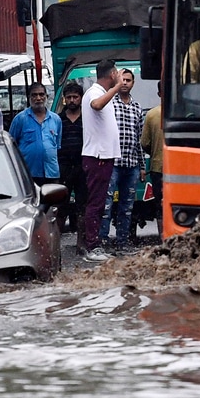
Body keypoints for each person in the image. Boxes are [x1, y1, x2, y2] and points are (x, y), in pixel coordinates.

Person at [78, 59, 123, 262]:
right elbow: (96, 105)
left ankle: (95, 244)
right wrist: (116, 88)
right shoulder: (95, 93)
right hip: (97, 157)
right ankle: (92, 247)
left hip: (105, 156)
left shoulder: (102, 93)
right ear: (112, 74)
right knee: (95, 204)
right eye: (117, 73)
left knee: (100, 202)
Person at [101, 68, 144, 253]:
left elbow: (140, 139)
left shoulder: (137, 107)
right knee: (106, 204)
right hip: (113, 163)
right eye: (122, 79)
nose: (125, 83)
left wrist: (142, 166)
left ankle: (122, 243)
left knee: (127, 206)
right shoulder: (109, 103)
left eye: (128, 80)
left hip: (132, 163)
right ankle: (101, 243)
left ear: (133, 83)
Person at [9, 82, 62, 188]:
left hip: (51, 173)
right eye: (34, 95)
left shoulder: (56, 119)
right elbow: (11, 145)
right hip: (29, 173)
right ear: (28, 97)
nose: (38, 98)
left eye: (41, 95)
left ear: (46, 97)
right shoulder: (20, 119)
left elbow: (57, 146)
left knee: (51, 203)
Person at [57, 82, 86, 232]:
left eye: (75, 97)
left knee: (83, 206)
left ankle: (82, 244)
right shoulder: (58, 120)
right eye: (69, 97)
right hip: (64, 167)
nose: (72, 100)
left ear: (81, 98)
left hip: (83, 167)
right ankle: (56, 245)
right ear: (64, 99)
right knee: (61, 206)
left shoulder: (88, 118)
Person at [139, 85, 164, 236]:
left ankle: (163, 239)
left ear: (158, 94)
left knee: (160, 206)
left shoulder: (152, 114)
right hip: (183, 169)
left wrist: (155, 152)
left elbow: (145, 143)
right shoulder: (188, 113)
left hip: (158, 167)